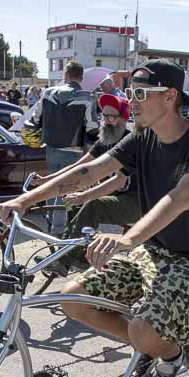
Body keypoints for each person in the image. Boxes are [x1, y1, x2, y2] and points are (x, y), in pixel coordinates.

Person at [0, 59, 189, 377]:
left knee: (143, 328)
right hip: (152, 251)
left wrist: (127, 238)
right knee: (72, 298)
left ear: (169, 96)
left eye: (139, 93)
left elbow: (182, 197)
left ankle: (169, 354)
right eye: (129, 92)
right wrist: (27, 200)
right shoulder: (141, 138)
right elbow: (91, 171)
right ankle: (148, 345)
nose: (130, 101)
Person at [31, 93, 139, 274]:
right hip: (117, 194)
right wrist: (45, 180)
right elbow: (79, 166)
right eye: (103, 116)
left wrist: (85, 195)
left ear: (123, 119)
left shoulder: (129, 142)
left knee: (92, 204)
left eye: (112, 116)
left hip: (137, 201)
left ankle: (65, 260)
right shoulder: (104, 140)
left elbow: (118, 182)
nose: (106, 120)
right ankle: (73, 255)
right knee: (72, 201)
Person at [27, 60, 98, 234]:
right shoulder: (87, 97)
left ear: (65, 75)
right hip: (74, 152)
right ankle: (61, 233)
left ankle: (52, 228)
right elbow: (92, 128)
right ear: (81, 77)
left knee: (51, 186)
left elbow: (35, 119)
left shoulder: (48, 93)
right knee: (67, 191)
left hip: (51, 148)